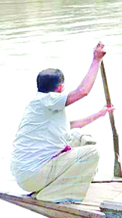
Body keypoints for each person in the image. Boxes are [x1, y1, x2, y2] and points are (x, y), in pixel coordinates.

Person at [10, 43, 114, 203]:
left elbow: (70, 126)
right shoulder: (47, 100)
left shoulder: (41, 103)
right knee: (92, 153)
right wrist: (96, 61)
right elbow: (82, 91)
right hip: (32, 174)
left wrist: (99, 114)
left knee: (78, 136)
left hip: (27, 173)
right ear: (60, 88)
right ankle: (53, 196)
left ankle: (72, 185)